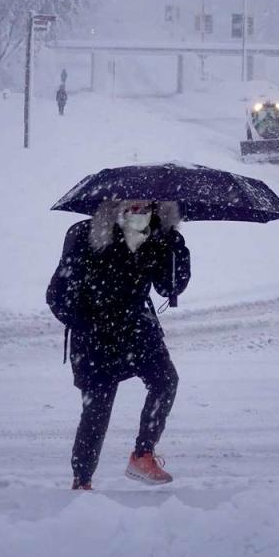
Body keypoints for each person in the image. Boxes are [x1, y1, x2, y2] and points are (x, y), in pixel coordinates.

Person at [46, 199, 190, 490]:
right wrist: (87, 321)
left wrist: (175, 246)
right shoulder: (90, 235)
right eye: (131, 204)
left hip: (137, 327)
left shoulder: (159, 238)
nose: (138, 211)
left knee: (165, 381)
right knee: (97, 409)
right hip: (96, 336)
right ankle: (82, 479)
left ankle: (143, 454)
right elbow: (57, 294)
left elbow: (169, 287)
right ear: (116, 205)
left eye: (145, 205)